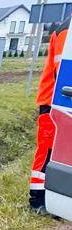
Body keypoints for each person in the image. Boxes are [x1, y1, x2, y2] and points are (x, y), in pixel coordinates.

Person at [31, 16, 70, 212]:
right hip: (54, 103)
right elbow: (64, 70)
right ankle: (38, 200)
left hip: (61, 101)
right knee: (48, 151)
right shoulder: (67, 30)